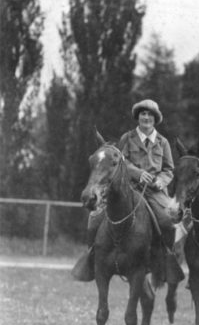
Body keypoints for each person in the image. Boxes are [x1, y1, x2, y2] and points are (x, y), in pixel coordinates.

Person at [72, 99, 182, 288]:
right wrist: (138, 174)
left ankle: (165, 260)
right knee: (94, 218)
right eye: (142, 114)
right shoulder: (127, 138)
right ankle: (91, 257)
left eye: (149, 115)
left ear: (155, 119)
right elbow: (118, 162)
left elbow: (169, 169)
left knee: (167, 222)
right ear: (138, 118)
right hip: (128, 188)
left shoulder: (163, 142)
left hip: (155, 192)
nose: (145, 118)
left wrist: (159, 180)